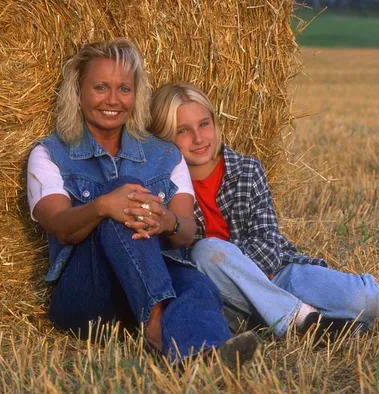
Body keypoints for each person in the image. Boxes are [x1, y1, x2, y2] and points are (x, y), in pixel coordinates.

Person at [26, 40, 260, 365]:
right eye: (100, 87)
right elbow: (61, 228)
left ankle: (206, 357)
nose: (113, 100)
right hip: (90, 298)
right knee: (124, 190)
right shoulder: (50, 154)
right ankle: (157, 325)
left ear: (137, 95)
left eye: (124, 88)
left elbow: (186, 232)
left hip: (161, 272)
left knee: (196, 285)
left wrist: (168, 222)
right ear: (77, 92)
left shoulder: (165, 155)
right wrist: (102, 206)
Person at [149, 82, 379, 341]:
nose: (198, 138)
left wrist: (248, 278)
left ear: (215, 123)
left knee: (364, 300)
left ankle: (374, 313)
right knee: (206, 251)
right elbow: (180, 261)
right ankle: (310, 318)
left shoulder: (247, 169)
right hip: (222, 294)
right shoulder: (162, 186)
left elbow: (269, 244)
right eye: (183, 130)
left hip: (279, 274)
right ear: (163, 137)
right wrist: (230, 271)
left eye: (204, 124)